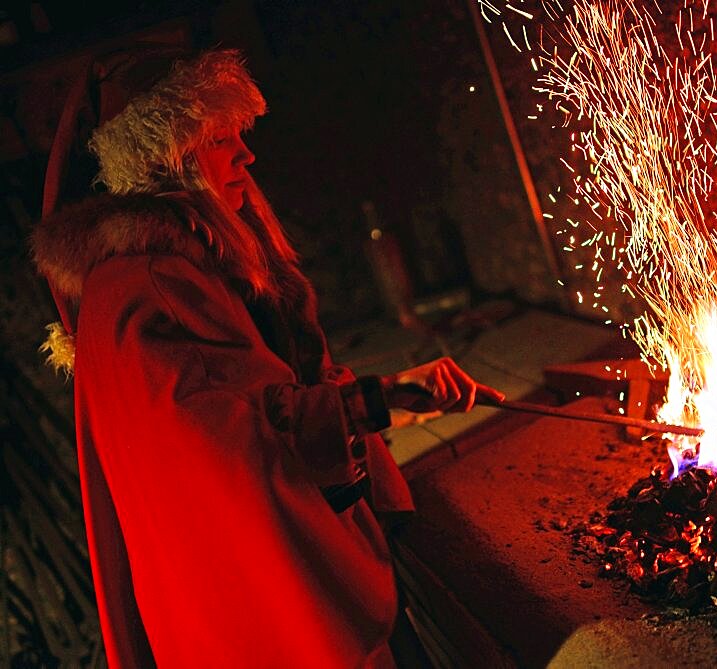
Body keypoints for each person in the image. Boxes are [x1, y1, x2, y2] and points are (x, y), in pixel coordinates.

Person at [32, 48, 503, 668]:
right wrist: (368, 404)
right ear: (173, 155)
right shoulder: (147, 287)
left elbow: (275, 383)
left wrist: (375, 401)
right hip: (256, 609)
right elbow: (236, 449)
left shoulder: (198, 258)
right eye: (223, 138)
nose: (247, 155)